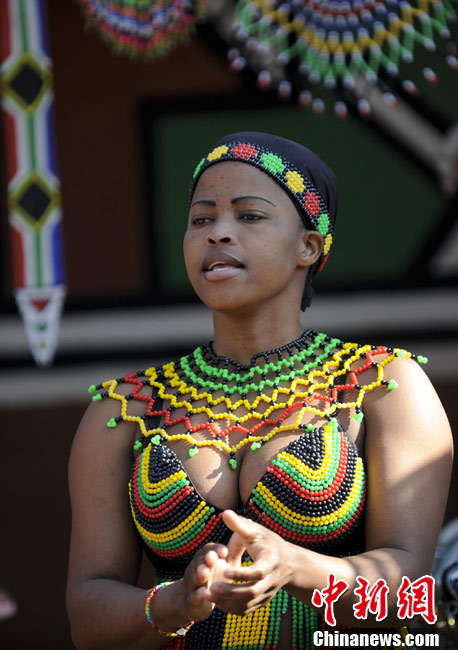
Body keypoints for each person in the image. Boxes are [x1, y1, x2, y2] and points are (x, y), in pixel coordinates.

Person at [66, 132, 453, 650]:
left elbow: (412, 594)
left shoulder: (383, 386)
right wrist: (174, 601)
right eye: (201, 220)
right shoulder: (125, 410)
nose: (218, 233)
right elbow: (87, 618)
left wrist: (296, 568)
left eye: (249, 215)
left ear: (308, 246)